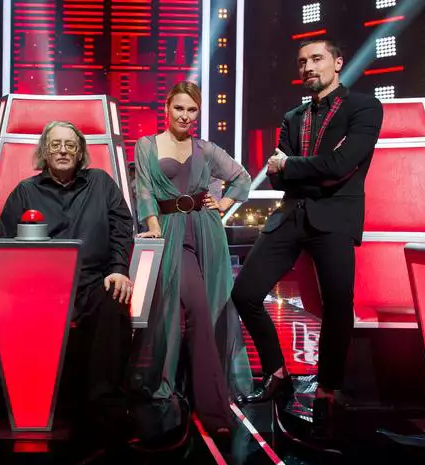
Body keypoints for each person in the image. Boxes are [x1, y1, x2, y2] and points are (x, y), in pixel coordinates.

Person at [231, 39, 383, 437]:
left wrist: (293, 166)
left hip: (334, 216)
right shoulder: (292, 117)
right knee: (244, 292)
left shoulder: (364, 107)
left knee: (337, 304)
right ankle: (277, 373)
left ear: (338, 62)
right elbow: (277, 177)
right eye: (302, 62)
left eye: (317, 59)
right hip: (290, 215)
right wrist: (303, 169)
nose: (308, 67)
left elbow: (341, 165)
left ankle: (328, 389)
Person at [0, 121, 134, 435]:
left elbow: (122, 229)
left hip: (91, 282)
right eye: (55, 144)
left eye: (70, 145)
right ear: (45, 150)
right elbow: (1, 249)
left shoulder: (101, 183)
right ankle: (11, 405)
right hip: (38, 288)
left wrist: (118, 269)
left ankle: (104, 407)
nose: (63, 151)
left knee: (114, 299)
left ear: (80, 152)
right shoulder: (25, 191)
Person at [131, 81, 252, 436]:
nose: (185, 115)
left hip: (206, 232)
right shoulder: (147, 145)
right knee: (181, 312)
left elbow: (241, 177)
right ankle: (194, 398)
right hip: (170, 234)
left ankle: (204, 396)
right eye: (179, 108)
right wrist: (153, 228)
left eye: (192, 110)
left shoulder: (205, 149)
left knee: (209, 311)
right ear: (167, 107)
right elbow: (144, 191)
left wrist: (223, 204)